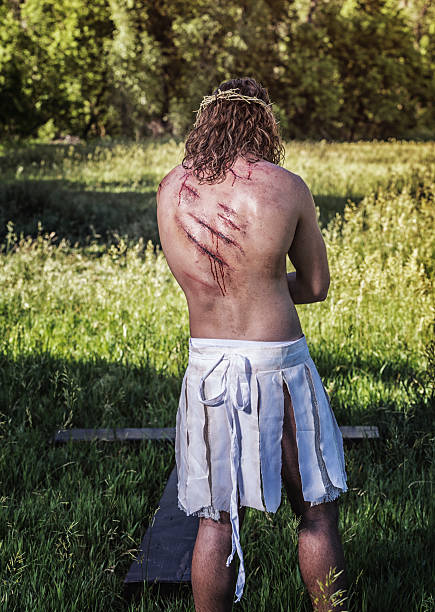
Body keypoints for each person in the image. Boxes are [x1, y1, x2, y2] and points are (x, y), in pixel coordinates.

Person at [156, 77, 348, 612]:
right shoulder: (285, 187)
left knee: (215, 519)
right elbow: (314, 286)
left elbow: (198, 282)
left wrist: (237, 285)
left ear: (205, 122)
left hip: (209, 365)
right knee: (314, 508)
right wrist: (262, 284)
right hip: (278, 363)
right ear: (263, 123)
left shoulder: (171, 190)